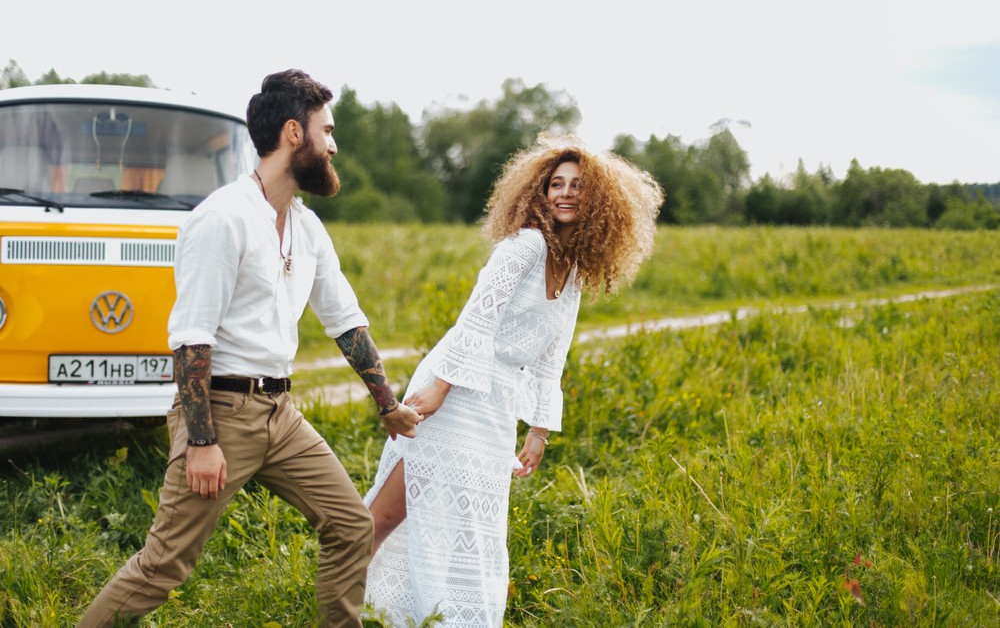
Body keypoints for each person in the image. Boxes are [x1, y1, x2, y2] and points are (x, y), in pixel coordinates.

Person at [77, 70, 421, 628]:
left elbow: (346, 322)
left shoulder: (306, 228)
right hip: (220, 413)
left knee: (351, 525)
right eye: (326, 131)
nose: (333, 146)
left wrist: (387, 403)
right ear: (293, 133)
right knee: (164, 565)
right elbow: (191, 339)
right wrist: (202, 441)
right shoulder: (222, 218)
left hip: (280, 415)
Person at [363, 136, 664, 626]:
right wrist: (441, 387)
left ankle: (438, 616)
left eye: (577, 187)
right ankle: (337, 610)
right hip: (457, 386)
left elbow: (551, 359)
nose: (565, 193)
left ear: (600, 202)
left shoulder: (573, 274)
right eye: (555, 185)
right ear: (540, 194)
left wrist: (539, 429)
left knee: (471, 523)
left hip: (496, 404)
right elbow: (475, 320)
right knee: (392, 512)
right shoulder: (526, 245)